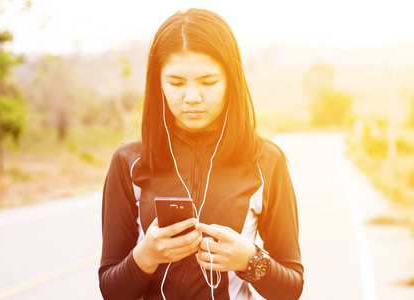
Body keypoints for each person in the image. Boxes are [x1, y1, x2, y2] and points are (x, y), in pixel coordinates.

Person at [99, 8, 303, 300]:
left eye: (208, 83)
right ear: (157, 83)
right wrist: (145, 256)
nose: (192, 97)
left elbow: (292, 287)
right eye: (176, 83)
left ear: (231, 81)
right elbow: (110, 290)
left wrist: (250, 260)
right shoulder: (129, 162)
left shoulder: (266, 161)